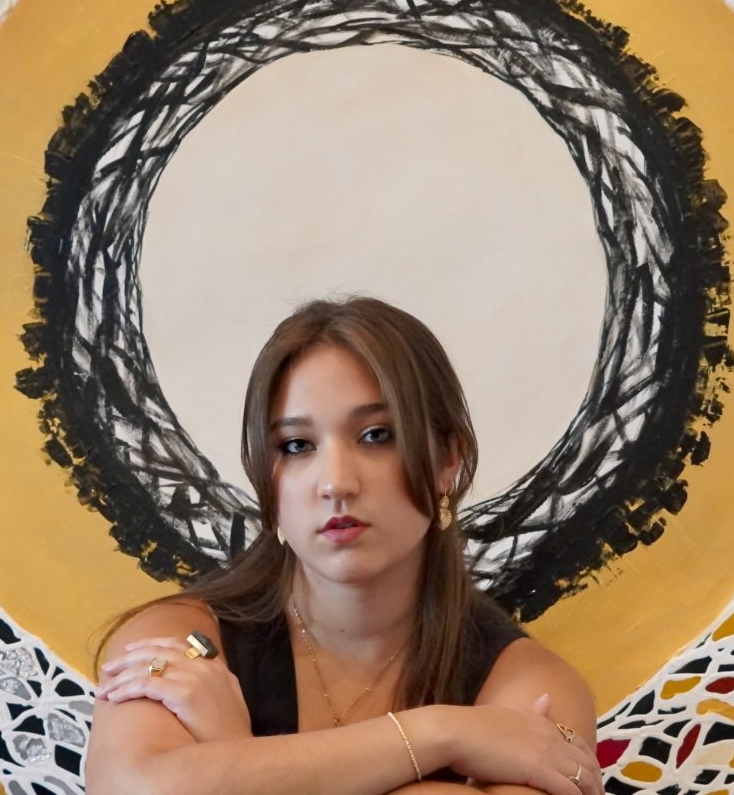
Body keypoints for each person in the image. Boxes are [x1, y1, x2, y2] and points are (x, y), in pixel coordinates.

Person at [85, 297, 603, 794]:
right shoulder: (182, 640)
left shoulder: (528, 682)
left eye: (377, 435)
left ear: (449, 459)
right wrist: (444, 733)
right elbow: (132, 786)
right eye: (296, 446)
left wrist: (231, 753)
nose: (334, 482)